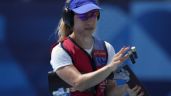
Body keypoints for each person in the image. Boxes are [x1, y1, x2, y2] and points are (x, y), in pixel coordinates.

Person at [50, 0, 144, 96]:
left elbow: (109, 92)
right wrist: (110, 67)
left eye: (94, 14)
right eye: (84, 15)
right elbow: (78, 83)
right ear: (69, 18)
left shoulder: (107, 48)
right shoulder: (60, 50)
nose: (90, 21)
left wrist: (126, 89)